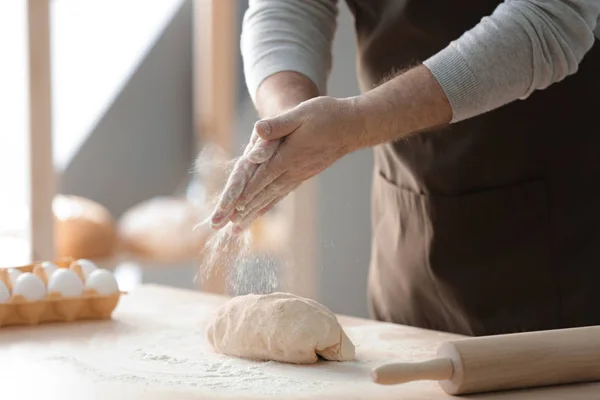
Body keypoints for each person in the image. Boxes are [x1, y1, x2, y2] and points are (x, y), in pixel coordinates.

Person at [209, 0, 600, 336]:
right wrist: (286, 121)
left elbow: (553, 16)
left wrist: (357, 123)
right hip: (408, 242)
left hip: (559, 249)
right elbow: (291, 5)